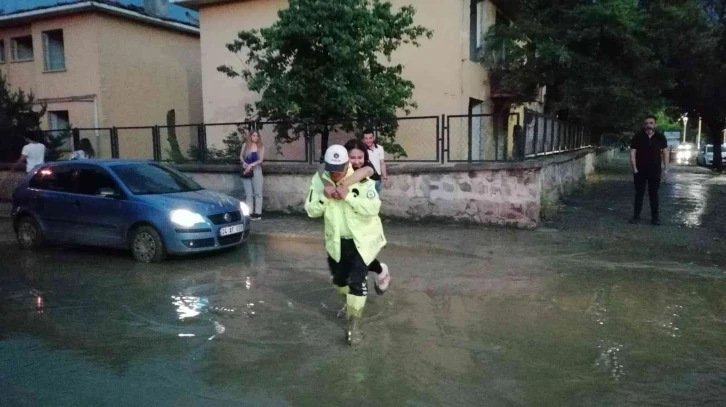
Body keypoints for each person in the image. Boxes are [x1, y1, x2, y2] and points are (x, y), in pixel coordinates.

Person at [305, 144, 386, 345]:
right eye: (331, 170)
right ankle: (350, 304)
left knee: (356, 281)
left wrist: (348, 196)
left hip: (361, 240)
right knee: (340, 281)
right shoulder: (319, 180)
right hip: (336, 241)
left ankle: (354, 325)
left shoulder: (362, 179)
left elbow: (373, 208)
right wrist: (324, 197)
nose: (335, 174)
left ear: (346, 164)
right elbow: (311, 210)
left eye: (339, 170)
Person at [629, 115, 669, 225]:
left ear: (655, 124)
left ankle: (655, 218)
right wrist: (634, 168)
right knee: (639, 194)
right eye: (646, 123)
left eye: (651, 123)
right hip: (640, 170)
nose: (649, 125)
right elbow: (632, 153)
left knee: (654, 194)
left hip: (655, 170)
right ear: (644, 125)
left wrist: (666, 168)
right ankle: (636, 216)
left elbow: (665, 153)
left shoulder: (660, 137)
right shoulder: (637, 137)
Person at [239, 128, 265, 220]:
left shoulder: (261, 146)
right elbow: (241, 156)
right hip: (246, 170)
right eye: (254, 135)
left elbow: (261, 160)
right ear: (250, 136)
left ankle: (258, 213)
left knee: (258, 193)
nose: (256, 137)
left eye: (257, 136)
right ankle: (249, 213)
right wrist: (244, 163)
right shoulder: (245, 145)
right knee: (248, 193)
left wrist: (251, 165)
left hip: (256, 170)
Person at [362, 129, 388, 194]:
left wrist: (385, 178)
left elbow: (382, 163)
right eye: (366, 138)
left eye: (370, 138)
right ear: (363, 139)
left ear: (373, 138)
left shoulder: (380, 148)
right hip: (367, 181)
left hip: (378, 180)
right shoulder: (362, 150)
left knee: (378, 199)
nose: (368, 140)